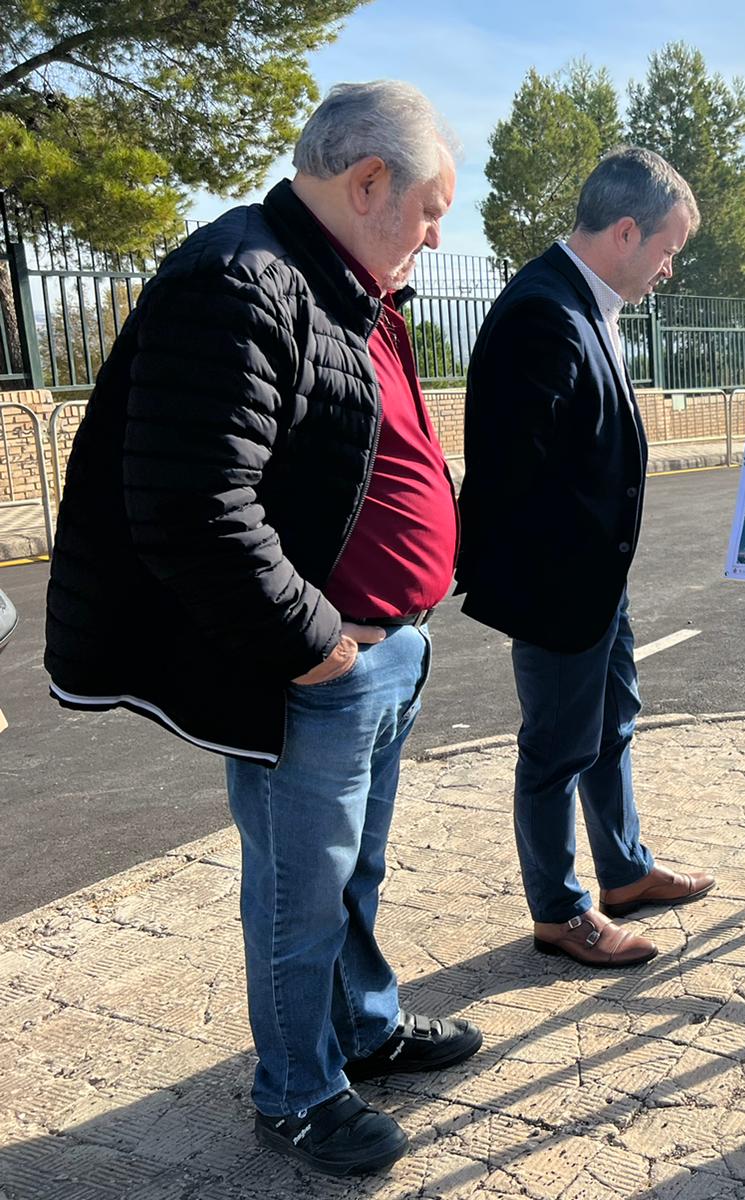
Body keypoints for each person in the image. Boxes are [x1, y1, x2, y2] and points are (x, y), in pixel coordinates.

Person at [43, 81, 482, 1176]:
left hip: (389, 646)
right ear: (366, 179)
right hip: (317, 668)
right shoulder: (241, 278)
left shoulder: (344, 283)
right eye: (429, 208)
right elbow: (191, 504)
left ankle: (364, 1031)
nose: (437, 235)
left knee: (353, 875)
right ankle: (295, 1091)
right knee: (299, 896)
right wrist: (318, 647)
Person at [456, 148, 714, 969]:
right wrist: (556, 588)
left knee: (611, 727)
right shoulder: (543, 310)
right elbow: (510, 472)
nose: (670, 268)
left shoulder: (583, 301)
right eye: (668, 248)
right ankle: (559, 913)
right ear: (627, 230)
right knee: (557, 748)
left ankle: (625, 870)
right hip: (561, 585)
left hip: (599, 579)